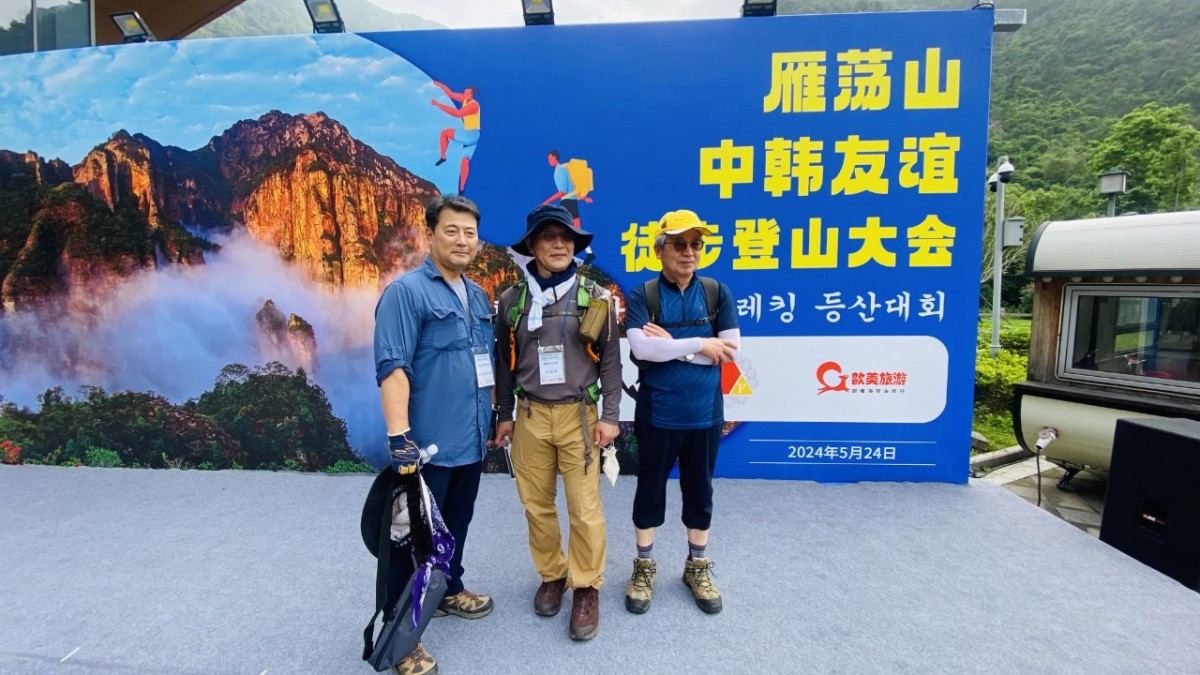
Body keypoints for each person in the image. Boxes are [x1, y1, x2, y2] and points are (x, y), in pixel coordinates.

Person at [373, 195, 495, 674]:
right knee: (410, 542)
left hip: (471, 439)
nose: (462, 240)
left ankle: (448, 590)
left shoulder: (477, 295)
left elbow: (484, 364)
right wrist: (399, 437)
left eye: (470, 233)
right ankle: (400, 640)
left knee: (455, 527)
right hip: (425, 447)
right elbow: (393, 367)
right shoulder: (406, 294)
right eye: (452, 230)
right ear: (431, 234)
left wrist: (495, 418)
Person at [493, 204, 621, 641]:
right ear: (532, 245)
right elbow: (505, 363)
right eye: (549, 237)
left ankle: (585, 586)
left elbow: (611, 363)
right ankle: (552, 575)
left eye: (566, 238)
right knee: (536, 505)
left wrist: (610, 417)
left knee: (585, 508)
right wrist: (504, 415)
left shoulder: (594, 297)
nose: (560, 245)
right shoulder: (512, 301)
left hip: (579, 417)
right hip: (529, 415)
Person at [622, 209, 740, 616]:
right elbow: (642, 349)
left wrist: (673, 345)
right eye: (679, 244)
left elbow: (729, 351)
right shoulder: (644, 296)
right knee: (649, 491)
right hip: (657, 414)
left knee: (700, 492)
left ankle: (697, 566)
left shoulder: (717, 293)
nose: (689, 252)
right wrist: (700, 345)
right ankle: (644, 566)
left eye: (696, 244)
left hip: (705, 415)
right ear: (660, 250)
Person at [542, 151, 595, 264]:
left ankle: (565, 254)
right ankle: (590, 253)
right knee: (577, 230)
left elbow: (563, 191)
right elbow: (573, 186)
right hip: (571, 201)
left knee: (559, 226)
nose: (548, 161)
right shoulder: (561, 170)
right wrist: (585, 198)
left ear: (555, 158)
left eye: (550, 158)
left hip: (567, 202)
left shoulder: (561, 170)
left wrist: (546, 202)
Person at [430, 81, 480, 195]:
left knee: (444, 133)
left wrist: (438, 104)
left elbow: (457, 113)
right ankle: (461, 190)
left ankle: (443, 156)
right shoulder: (465, 99)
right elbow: (451, 94)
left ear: (472, 94)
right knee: (465, 162)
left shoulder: (474, 105)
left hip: (470, 134)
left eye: (467, 93)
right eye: (464, 93)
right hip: (475, 137)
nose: (464, 95)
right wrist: (439, 84)